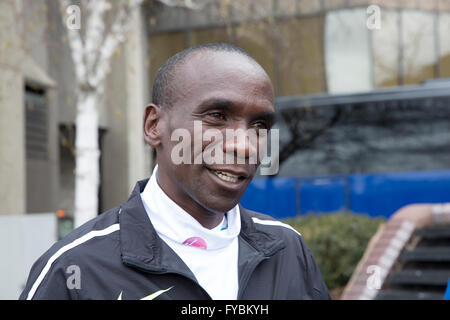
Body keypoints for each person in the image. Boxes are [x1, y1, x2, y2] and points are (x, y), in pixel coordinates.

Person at [20, 43, 331, 300]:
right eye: (217, 116)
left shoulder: (288, 250)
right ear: (154, 126)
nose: (245, 146)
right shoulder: (73, 269)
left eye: (260, 125)